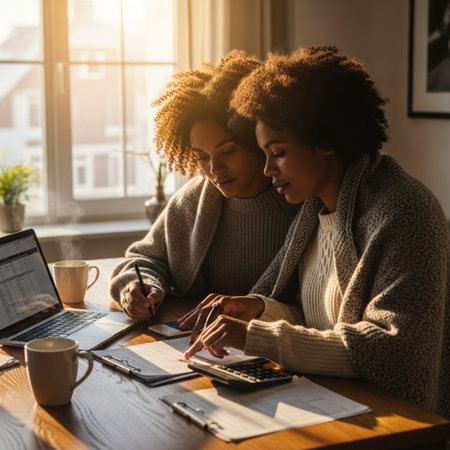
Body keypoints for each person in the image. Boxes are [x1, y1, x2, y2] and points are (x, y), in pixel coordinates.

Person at [183, 46, 450, 420]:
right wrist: (260, 309)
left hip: (395, 424)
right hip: (332, 402)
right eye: (263, 154)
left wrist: (257, 337)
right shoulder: (314, 211)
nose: (266, 170)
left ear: (325, 140)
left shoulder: (404, 212)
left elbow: (395, 352)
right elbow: (316, 321)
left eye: (277, 153)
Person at [109, 50, 299, 321]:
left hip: (274, 351)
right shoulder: (195, 198)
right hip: (204, 344)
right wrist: (140, 287)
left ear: (256, 140)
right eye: (202, 156)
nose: (214, 169)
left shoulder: (299, 199)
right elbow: (141, 260)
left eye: (228, 150)